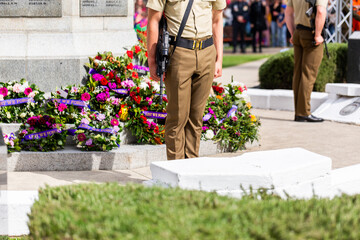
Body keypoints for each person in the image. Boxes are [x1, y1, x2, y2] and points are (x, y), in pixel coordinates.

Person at [147, 0, 226, 160]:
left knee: (196, 118)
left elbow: (217, 20)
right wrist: (152, 61)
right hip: (179, 52)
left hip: (207, 51)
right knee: (177, 117)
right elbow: (153, 20)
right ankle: (176, 171)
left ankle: (190, 167)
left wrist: (219, 59)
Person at [285, 0, 327, 122]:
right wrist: (318, 34)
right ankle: (304, 112)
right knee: (308, 74)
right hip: (311, 33)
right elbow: (320, 11)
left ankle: (299, 112)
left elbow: (288, 13)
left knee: (298, 74)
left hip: (298, 32)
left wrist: (292, 33)